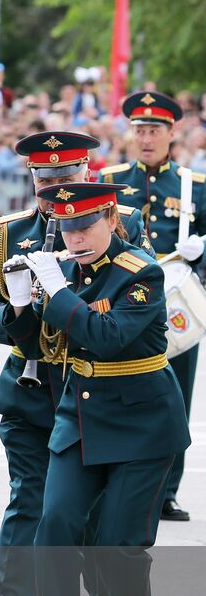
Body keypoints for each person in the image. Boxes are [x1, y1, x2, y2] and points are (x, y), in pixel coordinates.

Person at [0, 131, 151, 596]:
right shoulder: (10, 233)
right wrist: (14, 312)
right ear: (32, 180)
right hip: (32, 383)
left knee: (88, 508)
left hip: (97, 386)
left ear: (88, 172)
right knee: (31, 497)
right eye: (46, 183)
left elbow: (135, 301)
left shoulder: (123, 223)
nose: (56, 194)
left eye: (66, 180)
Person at [19, 181, 188, 596]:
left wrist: (57, 292)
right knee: (54, 527)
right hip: (79, 419)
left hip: (142, 424)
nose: (75, 238)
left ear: (112, 220)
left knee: (118, 544)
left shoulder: (142, 273)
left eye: (86, 225)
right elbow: (36, 344)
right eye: (66, 228)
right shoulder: (63, 272)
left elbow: (107, 337)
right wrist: (23, 302)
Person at [99, 91, 206, 522]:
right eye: (139, 130)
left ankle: (166, 492)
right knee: (112, 388)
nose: (146, 138)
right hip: (117, 298)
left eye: (154, 131)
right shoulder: (107, 179)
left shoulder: (193, 185)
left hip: (173, 301)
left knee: (174, 397)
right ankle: (107, 478)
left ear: (171, 133)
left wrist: (201, 253)